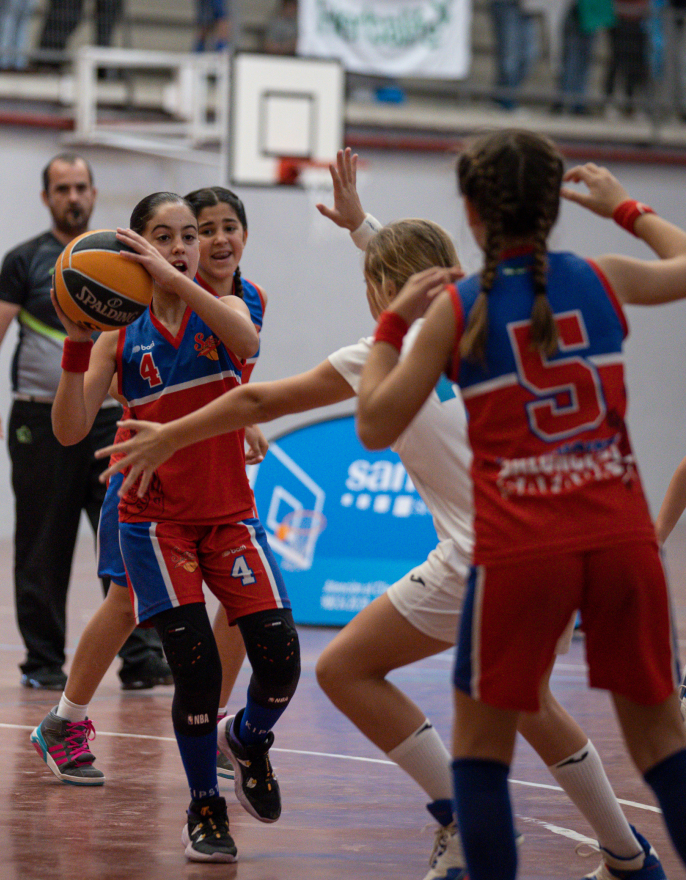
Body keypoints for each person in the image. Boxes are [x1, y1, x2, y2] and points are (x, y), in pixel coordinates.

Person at [100, 147, 672, 880]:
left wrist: (171, 434)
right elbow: (429, 277)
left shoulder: (391, 348)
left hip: (492, 556)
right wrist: (625, 208)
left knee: (348, 671)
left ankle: (462, 826)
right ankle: (629, 856)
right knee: (554, 710)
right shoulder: (505, 312)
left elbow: (269, 400)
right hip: (588, 539)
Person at [355, 128, 686, 880]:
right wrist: (626, 207)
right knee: (665, 749)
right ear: (554, 208)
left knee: (481, 755)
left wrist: (392, 323)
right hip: (622, 539)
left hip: (521, 551)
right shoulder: (602, 276)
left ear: (471, 212)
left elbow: (374, 424)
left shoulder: (458, 308)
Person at [49, 191, 299, 863]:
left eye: (192, 235)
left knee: (281, 659)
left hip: (228, 512)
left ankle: (246, 738)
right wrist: (77, 344)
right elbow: (69, 429)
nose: (185, 246)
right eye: (166, 236)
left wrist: (175, 279)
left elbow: (246, 344)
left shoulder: (229, 303)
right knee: (190, 666)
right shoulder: (119, 332)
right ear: (135, 246)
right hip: (155, 517)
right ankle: (204, 807)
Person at [0, 153, 169, 692]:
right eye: (62, 188)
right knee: (42, 543)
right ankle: (42, 661)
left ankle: (142, 657)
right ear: (47, 197)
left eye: (81, 186)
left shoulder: (126, 259)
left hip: (111, 420)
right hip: (39, 417)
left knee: (127, 534)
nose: (73, 196)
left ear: (94, 192)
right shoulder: (25, 260)